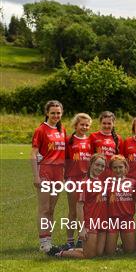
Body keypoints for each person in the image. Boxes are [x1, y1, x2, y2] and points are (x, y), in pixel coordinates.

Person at [48, 154, 108, 258]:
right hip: (90, 223)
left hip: (101, 223)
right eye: (97, 165)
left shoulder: (100, 182)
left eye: (102, 166)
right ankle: (59, 253)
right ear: (90, 164)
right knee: (89, 255)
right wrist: (82, 228)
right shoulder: (84, 183)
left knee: (99, 253)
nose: (100, 168)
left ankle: (72, 249)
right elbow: (79, 206)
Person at [31, 100, 66, 252]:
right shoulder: (41, 130)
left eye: (58, 113)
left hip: (58, 173)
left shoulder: (62, 129)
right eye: (53, 113)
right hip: (45, 171)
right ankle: (43, 242)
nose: (56, 115)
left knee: (52, 209)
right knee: (44, 209)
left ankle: (49, 240)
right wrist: (36, 176)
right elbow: (33, 154)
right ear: (47, 113)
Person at [64, 113, 92, 249]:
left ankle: (82, 238)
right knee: (73, 211)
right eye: (82, 124)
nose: (84, 127)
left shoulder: (90, 141)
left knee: (85, 211)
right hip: (73, 179)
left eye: (87, 125)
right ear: (76, 125)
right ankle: (69, 240)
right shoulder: (69, 140)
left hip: (86, 180)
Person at [105, 155, 136, 255]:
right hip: (112, 220)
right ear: (111, 169)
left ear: (125, 167)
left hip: (127, 219)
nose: (118, 170)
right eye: (115, 167)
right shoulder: (107, 183)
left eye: (120, 167)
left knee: (130, 252)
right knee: (109, 253)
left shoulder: (133, 182)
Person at [89, 111, 123, 177]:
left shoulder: (118, 138)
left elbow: (120, 159)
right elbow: (90, 157)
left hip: (112, 173)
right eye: (104, 123)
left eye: (109, 123)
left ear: (113, 124)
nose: (106, 126)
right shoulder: (93, 136)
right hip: (97, 172)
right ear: (100, 123)